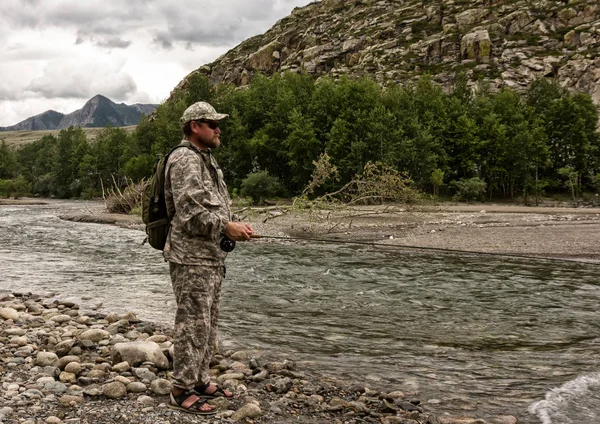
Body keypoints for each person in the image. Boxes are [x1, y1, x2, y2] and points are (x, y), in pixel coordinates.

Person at [163, 101, 254, 414]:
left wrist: (232, 226)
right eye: (212, 124)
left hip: (209, 255)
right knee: (192, 323)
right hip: (190, 257)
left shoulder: (206, 158)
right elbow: (189, 213)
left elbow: (213, 205)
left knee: (208, 320)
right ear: (194, 127)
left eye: (218, 124)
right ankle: (180, 389)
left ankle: (199, 379)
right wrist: (226, 227)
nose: (219, 129)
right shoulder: (185, 159)